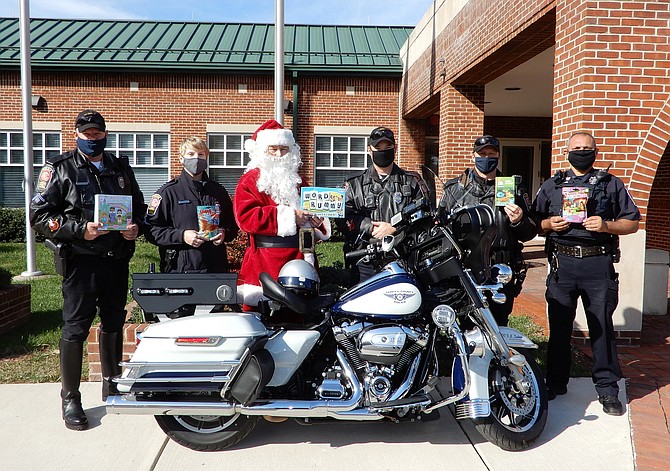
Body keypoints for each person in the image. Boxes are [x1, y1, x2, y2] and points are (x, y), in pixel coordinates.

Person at [29, 109, 146, 430]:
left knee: (113, 322)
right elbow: (39, 215)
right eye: (87, 133)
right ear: (77, 134)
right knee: (76, 328)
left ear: (105, 134)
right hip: (80, 261)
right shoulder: (59, 168)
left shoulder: (120, 167)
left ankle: (112, 384)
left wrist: (135, 227)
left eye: (97, 133)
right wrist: (80, 229)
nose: (92, 138)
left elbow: (139, 206)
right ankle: (71, 398)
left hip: (115, 259)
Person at [532, 131, 641, 416]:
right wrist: (548, 224)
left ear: (595, 151)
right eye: (576, 147)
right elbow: (533, 222)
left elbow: (632, 223)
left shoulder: (610, 184)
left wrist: (605, 226)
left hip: (597, 265)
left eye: (587, 148)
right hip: (563, 266)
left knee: (601, 329)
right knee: (559, 329)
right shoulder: (553, 185)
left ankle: (607, 390)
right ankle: (555, 383)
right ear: (566, 152)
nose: (582, 151)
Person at [438, 135, 536, 326]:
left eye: (491, 153)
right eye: (482, 153)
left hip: (500, 267)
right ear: (473, 155)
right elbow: (441, 227)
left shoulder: (513, 188)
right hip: (466, 266)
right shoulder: (454, 189)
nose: (486, 157)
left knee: (498, 322)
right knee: (466, 322)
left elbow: (530, 232)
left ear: (498, 156)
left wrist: (519, 220)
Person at [234, 119, 330, 311]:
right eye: (273, 149)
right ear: (262, 151)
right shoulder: (249, 181)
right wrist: (289, 216)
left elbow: (314, 213)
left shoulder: (299, 181)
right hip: (264, 261)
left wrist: (317, 222)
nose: (279, 155)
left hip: (300, 259)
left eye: (284, 149)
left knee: (299, 318)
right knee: (263, 317)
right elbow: (245, 217)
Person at [144, 137, 239, 316]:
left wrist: (224, 233)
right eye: (191, 154)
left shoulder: (218, 191)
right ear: (181, 158)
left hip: (214, 271)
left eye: (201, 154)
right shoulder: (168, 192)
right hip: (181, 272)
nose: (196, 158)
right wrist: (181, 236)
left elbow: (232, 225)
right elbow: (151, 230)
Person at [340, 126, 428, 284]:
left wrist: (395, 228)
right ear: (369, 150)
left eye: (388, 147)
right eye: (378, 147)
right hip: (365, 259)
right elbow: (343, 217)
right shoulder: (354, 184)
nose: (383, 151)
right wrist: (370, 227)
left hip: (404, 257)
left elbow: (425, 214)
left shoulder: (412, 181)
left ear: (395, 149)